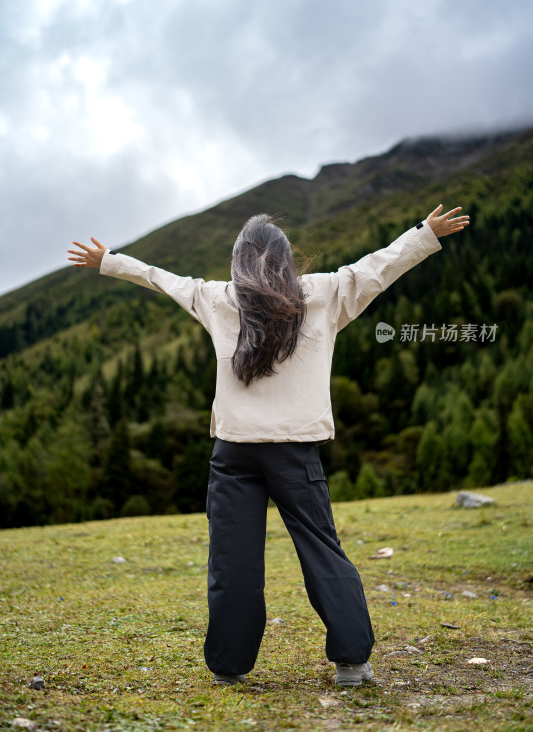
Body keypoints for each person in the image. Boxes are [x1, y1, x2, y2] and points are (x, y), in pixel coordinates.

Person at [67, 203, 469, 687]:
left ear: (239, 260)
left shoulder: (219, 298)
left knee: (232, 559)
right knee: (322, 548)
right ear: (287, 259)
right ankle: (352, 663)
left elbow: (161, 278)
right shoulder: (323, 293)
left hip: (234, 453)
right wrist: (425, 233)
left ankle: (228, 669)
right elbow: (380, 266)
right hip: (295, 452)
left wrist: (109, 260)